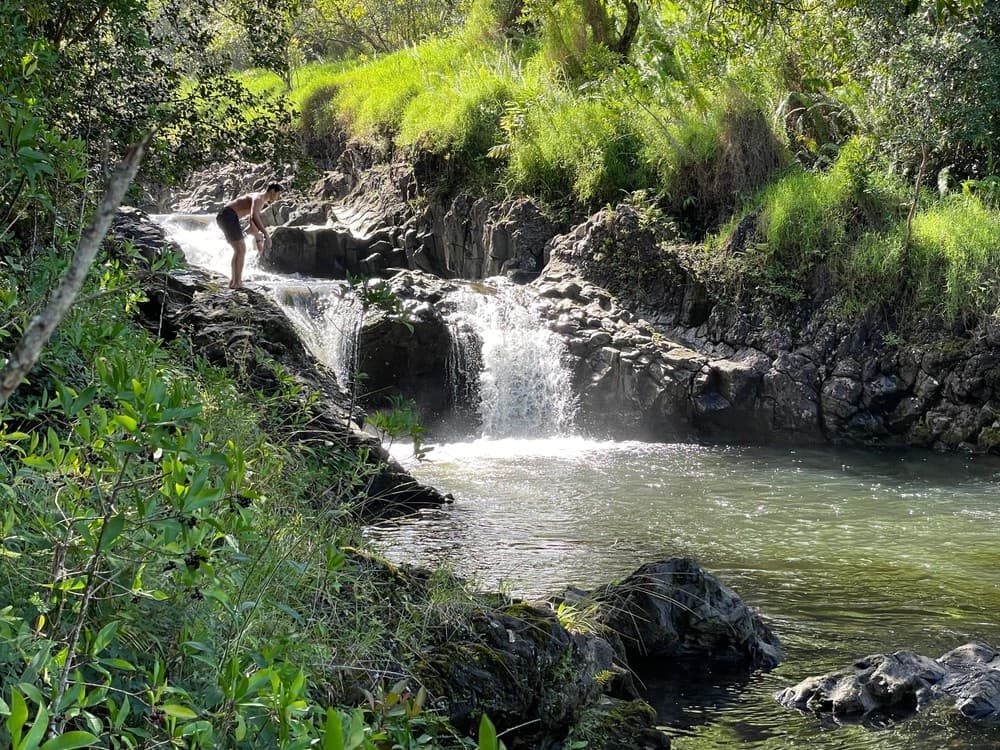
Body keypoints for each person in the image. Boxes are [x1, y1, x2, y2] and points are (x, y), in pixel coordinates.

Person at [215, 182, 283, 288]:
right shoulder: (259, 198)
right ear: (272, 191)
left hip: (227, 216)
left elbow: (251, 220)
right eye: (278, 194)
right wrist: (266, 234)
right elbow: (254, 215)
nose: (278, 197)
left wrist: (258, 239)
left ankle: (234, 281)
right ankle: (237, 282)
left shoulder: (260, 200)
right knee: (241, 250)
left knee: (239, 250)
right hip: (228, 215)